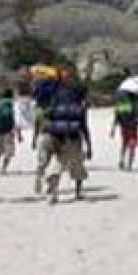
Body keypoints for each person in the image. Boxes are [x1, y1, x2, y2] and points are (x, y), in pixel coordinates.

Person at [37, 68, 92, 203]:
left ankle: (53, 191)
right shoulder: (78, 105)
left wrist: (39, 134)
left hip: (53, 134)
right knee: (76, 164)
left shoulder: (54, 96)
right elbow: (84, 126)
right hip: (72, 136)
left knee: (58, 162)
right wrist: (89, 145)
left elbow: (45, 117)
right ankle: (78, 192)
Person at [111, 86, 138, 171]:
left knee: (124, 144)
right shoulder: (135, 104)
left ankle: (122, 160)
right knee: (132, 146)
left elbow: (117, 117)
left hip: (124, 127)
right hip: (133, 127)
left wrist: (113, 129)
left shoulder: (121, 104)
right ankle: (129, 164)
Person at [0, 90, 16, 174]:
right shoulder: (9, 105)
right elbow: (11, 118)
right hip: (8, 130)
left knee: (0, 149)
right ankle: (3, 168)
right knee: (9, 150)